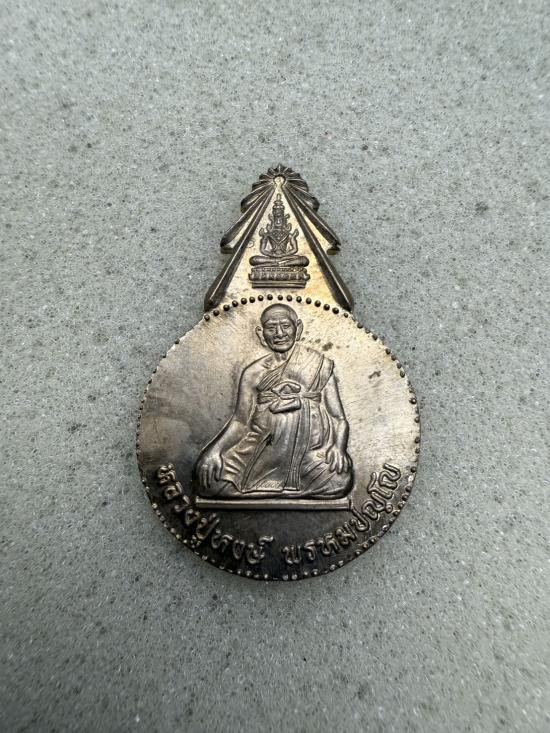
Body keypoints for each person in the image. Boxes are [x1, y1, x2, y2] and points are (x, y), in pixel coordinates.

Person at [194, 304, 353, 499]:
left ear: (298, 328)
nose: (279, 333)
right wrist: (215, 450)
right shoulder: (253, 372)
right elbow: (240, 421)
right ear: (261, 334)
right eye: (271, 327)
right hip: (258, 449)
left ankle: (258, 493)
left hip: (307, 455)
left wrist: (338, 447)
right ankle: (285, 493)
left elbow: (338, 418)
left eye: (285, 326)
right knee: (207, 480)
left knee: (340, 479)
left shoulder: (320, 365)